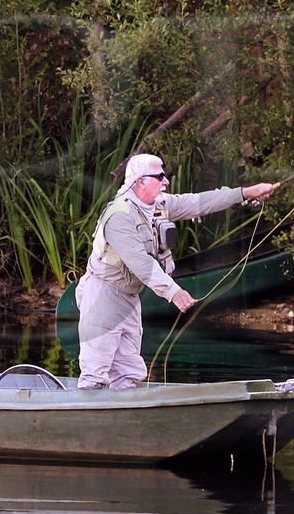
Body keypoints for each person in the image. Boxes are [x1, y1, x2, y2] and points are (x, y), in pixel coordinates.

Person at [76, 152, 278, 390]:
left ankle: (122, 422)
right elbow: (140, 262)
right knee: (95, 374)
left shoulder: (160, 204)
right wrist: (174, 292)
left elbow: (201, 202)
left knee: (129, 373)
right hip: (103, 295)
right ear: (141, 181)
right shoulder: (119, 215)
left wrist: (246, 192)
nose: (166, 181)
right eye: (160, 176)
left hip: (129, 297)